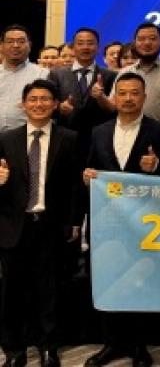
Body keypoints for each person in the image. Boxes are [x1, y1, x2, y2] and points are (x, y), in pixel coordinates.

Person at [83, 73, 160, 367]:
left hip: (145, 221)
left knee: (139, 280)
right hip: (107, 220)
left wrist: (157, 165)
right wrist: (87, 177)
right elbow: (90, 168)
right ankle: (112, 343)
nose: (127, 98)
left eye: (134, 93)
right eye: (122, 93)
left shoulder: (159, 130)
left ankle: (138, 346)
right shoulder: (99, 131)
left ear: (144, 97)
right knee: (108, 278)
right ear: (114, 97)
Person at [0, 79, 80, 367]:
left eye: (45, 99)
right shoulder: (6, 139)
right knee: (12, 291)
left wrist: (74, 222)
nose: (38, 104)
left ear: (55, 104)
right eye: (32, 99)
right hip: (13, 225)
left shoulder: (69, 138)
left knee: (49, 290)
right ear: (23, 104)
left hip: (51, 224)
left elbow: (74, 186)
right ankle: (13, 350)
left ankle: (49, 347)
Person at [111, 23, 160, 148]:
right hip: (127, 137)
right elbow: (114, 104)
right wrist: (100, 97)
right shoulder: (124, 72)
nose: (147, 43)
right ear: (135, 42)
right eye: (141, 39)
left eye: (152, 38)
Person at [48, 27, 117, 165]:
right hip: (64, 140)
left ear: (97, 47)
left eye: (90, 43)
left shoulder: (110, 76)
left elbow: (114, 111)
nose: (85, 47)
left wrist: (101, 98)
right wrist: (59, 107)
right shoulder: (57, 74)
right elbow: (48, 104)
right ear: (73, 47)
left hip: (99, 142)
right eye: (80, 43)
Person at [0, 24, 49, 133]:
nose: (15, 45)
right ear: (1, 46)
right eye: (10, 41)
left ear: (29, 45)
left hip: (24, 137)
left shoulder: (42, 74)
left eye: (21, 41)